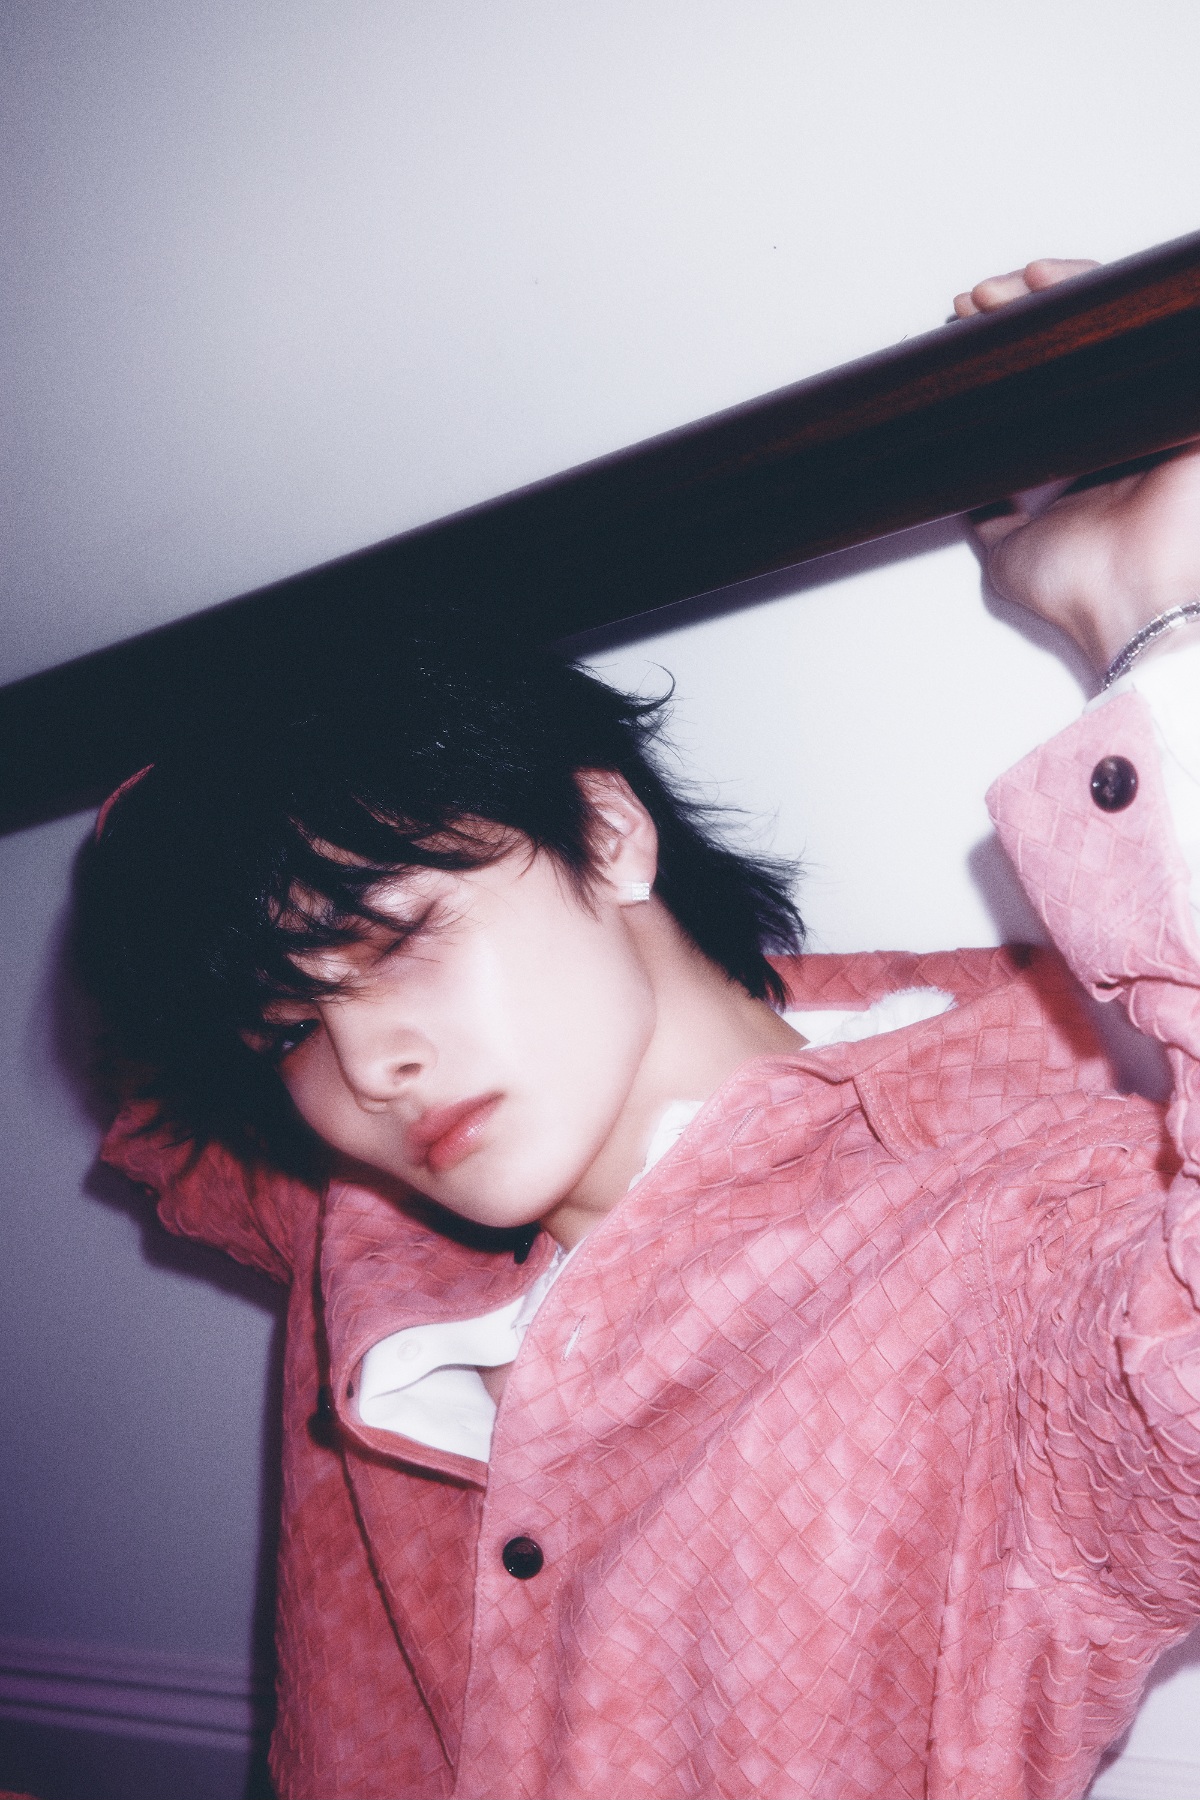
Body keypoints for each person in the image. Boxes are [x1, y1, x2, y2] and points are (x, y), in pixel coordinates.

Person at [74, 259, 1200, 1799]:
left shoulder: (1012, 1245)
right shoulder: (348, 1211)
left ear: (607, 834)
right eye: (288, 1029)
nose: (367, 1065)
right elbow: (146, 1074)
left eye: (395, 939)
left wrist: (1151, 604)